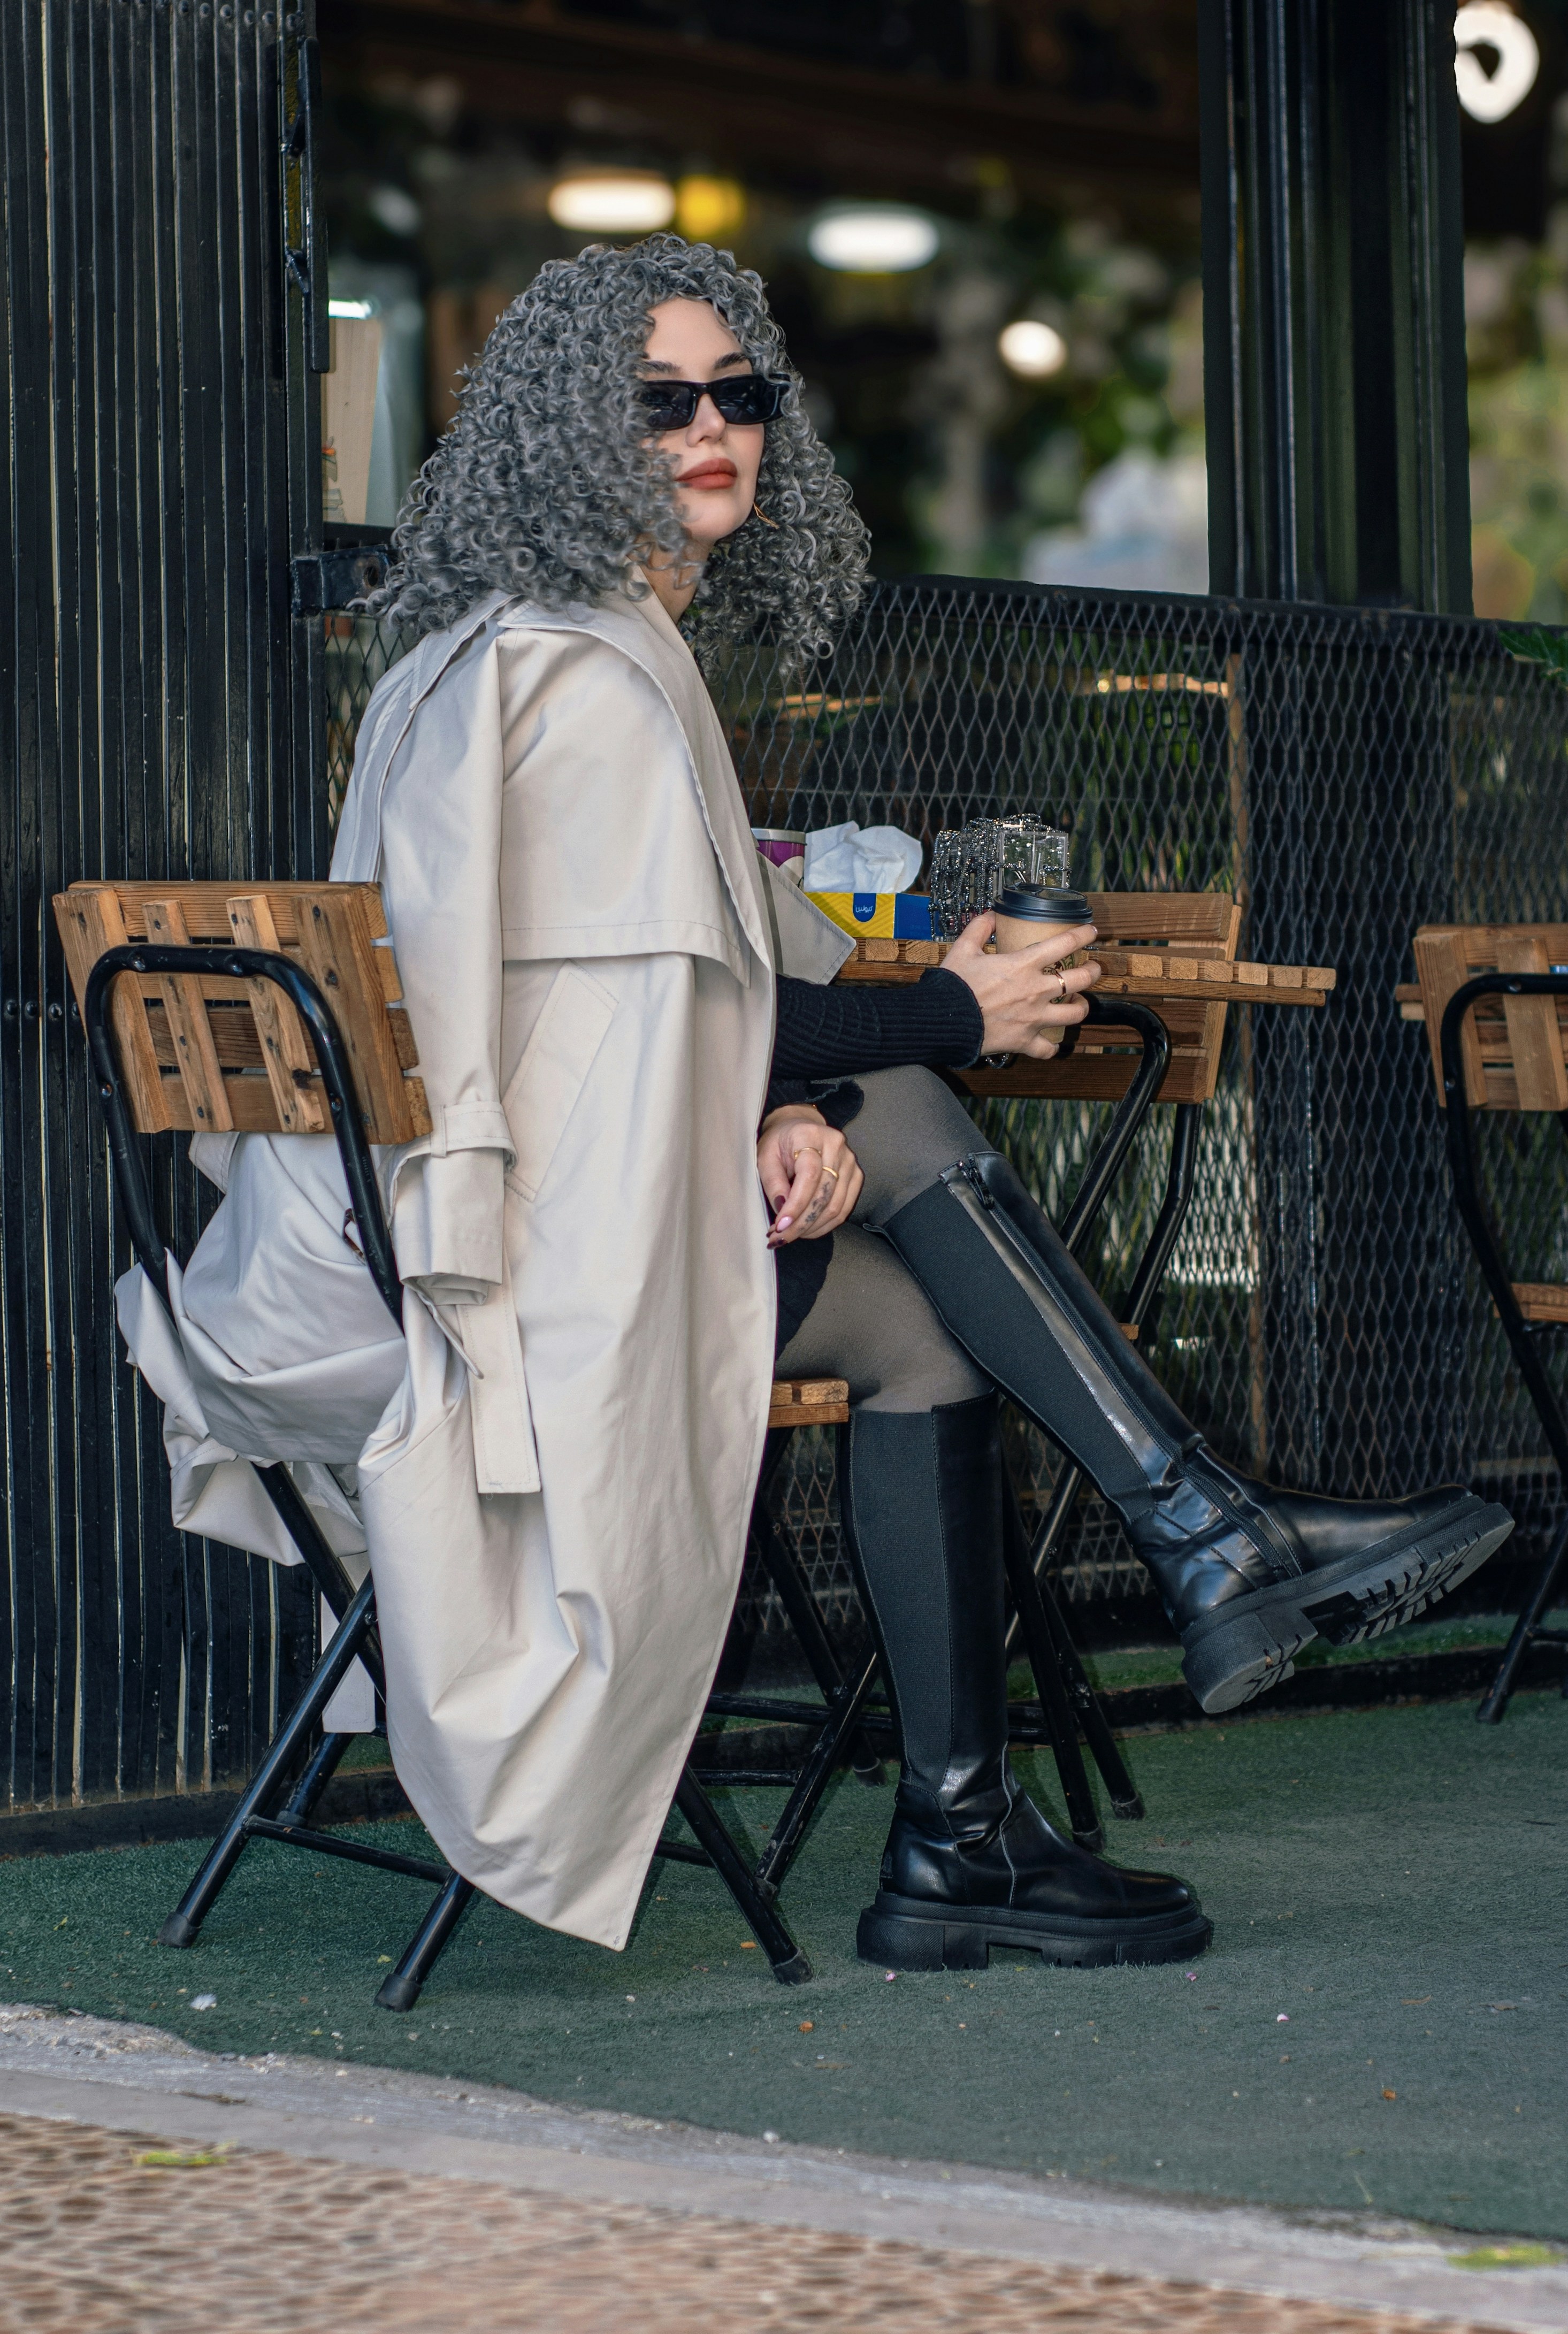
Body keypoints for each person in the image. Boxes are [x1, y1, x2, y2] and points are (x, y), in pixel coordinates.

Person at [124, 234, 1511, 1976]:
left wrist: (782, 1098)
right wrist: (944, 1005)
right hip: (496, 1292)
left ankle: (1017, 1768)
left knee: (922, 1298)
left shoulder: (505, 650)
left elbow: (624, 1026)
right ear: (570, 425)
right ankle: (1174, 1560)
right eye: (659, 400)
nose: (712, 428)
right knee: (922, 1108)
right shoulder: (584, 677)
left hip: (444, 1240)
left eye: (740, 393)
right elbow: (653, 1031)